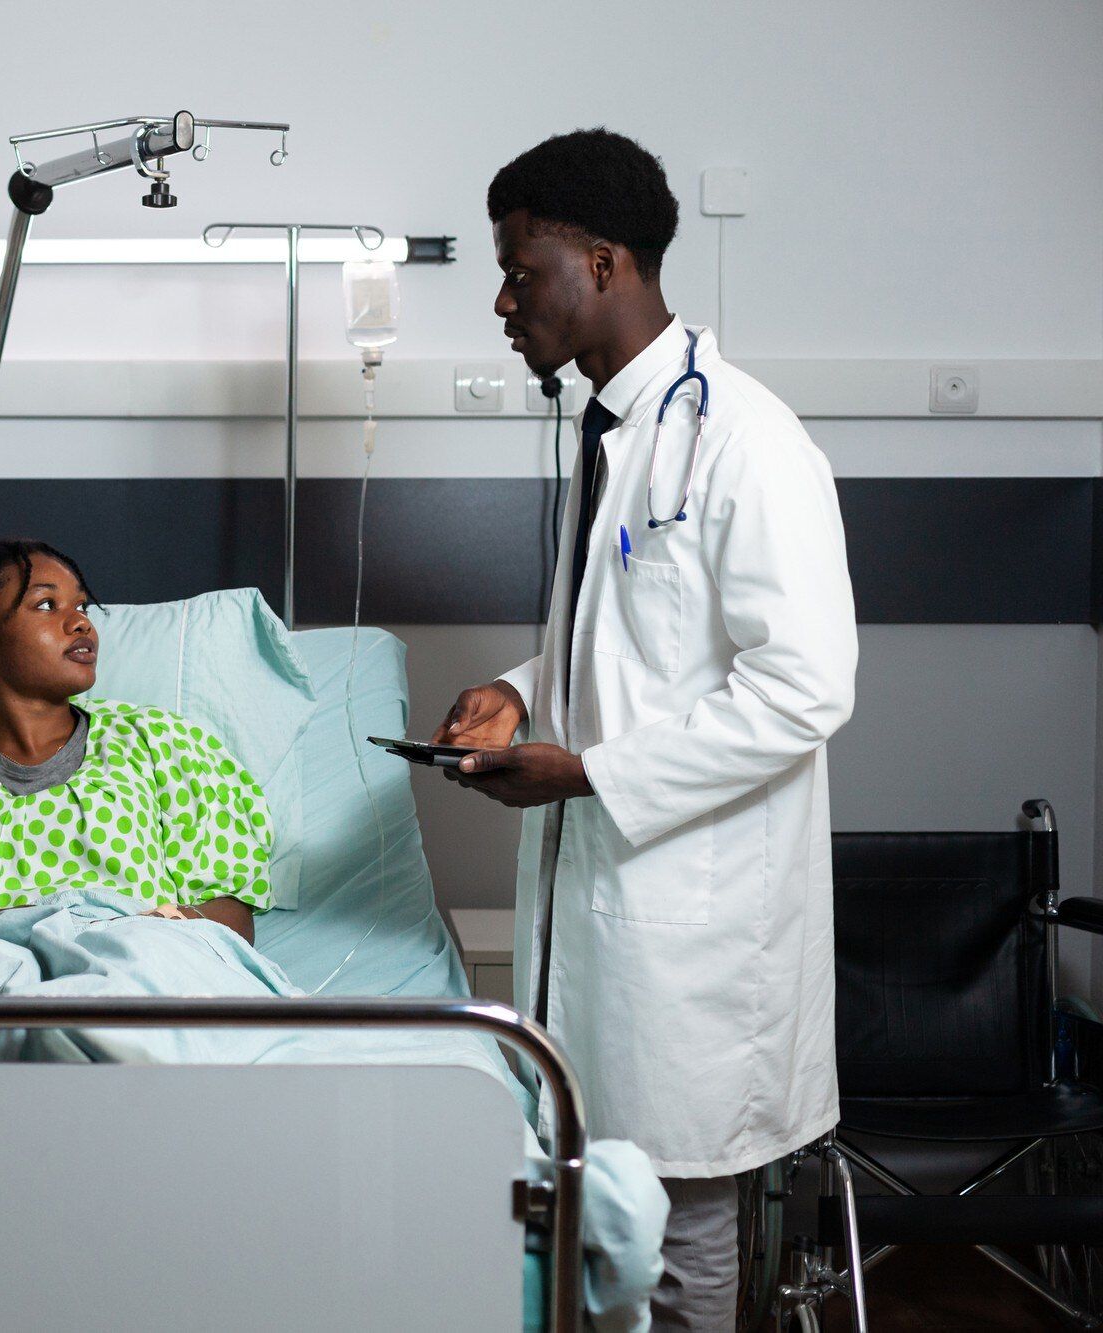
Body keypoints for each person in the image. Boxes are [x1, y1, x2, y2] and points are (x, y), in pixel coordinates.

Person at [432, 129, 857, 1329]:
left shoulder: (747, 441)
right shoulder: (618, 434)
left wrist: (587, 771)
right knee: (610, 1215)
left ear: (604, 262)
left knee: (677, 1237)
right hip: (609, 910)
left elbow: (804, 686)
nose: (502, 299)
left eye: (523, 268)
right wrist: (522, 689)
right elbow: (643, 646)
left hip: (692, 929)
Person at [0, 539, 274, 967]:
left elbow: (230, 918)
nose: (81, 622)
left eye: (80, 606)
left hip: (140, 981)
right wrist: (7, 934)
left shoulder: (161, 744)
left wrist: (138, 933)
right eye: (46, 605)